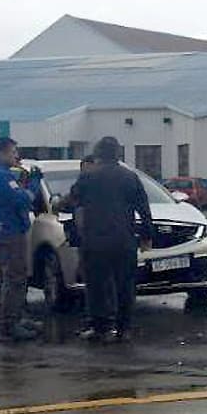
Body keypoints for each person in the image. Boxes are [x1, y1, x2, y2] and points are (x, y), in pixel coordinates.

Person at [63, 137, 152, 342]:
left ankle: (100, 327)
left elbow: (72, 201)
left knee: (96, 285)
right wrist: (147, 236)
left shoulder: (88, 177)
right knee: (125, 285)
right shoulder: (130, 177)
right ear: (118, 154)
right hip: (124, 240)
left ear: (98, 155)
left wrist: (58, 204)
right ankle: (124, 328)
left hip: (95, 241)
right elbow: (144, 210)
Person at [0, 137, 43, 341]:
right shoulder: (0, 176)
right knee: (15, 278)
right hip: (9, 232)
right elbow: (22, 200)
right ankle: (9, 325)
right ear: (1, 153)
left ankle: (16, 317)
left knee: (8, 278)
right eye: (13, 152)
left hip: (1, 232)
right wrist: (34, 184)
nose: (16, 156)